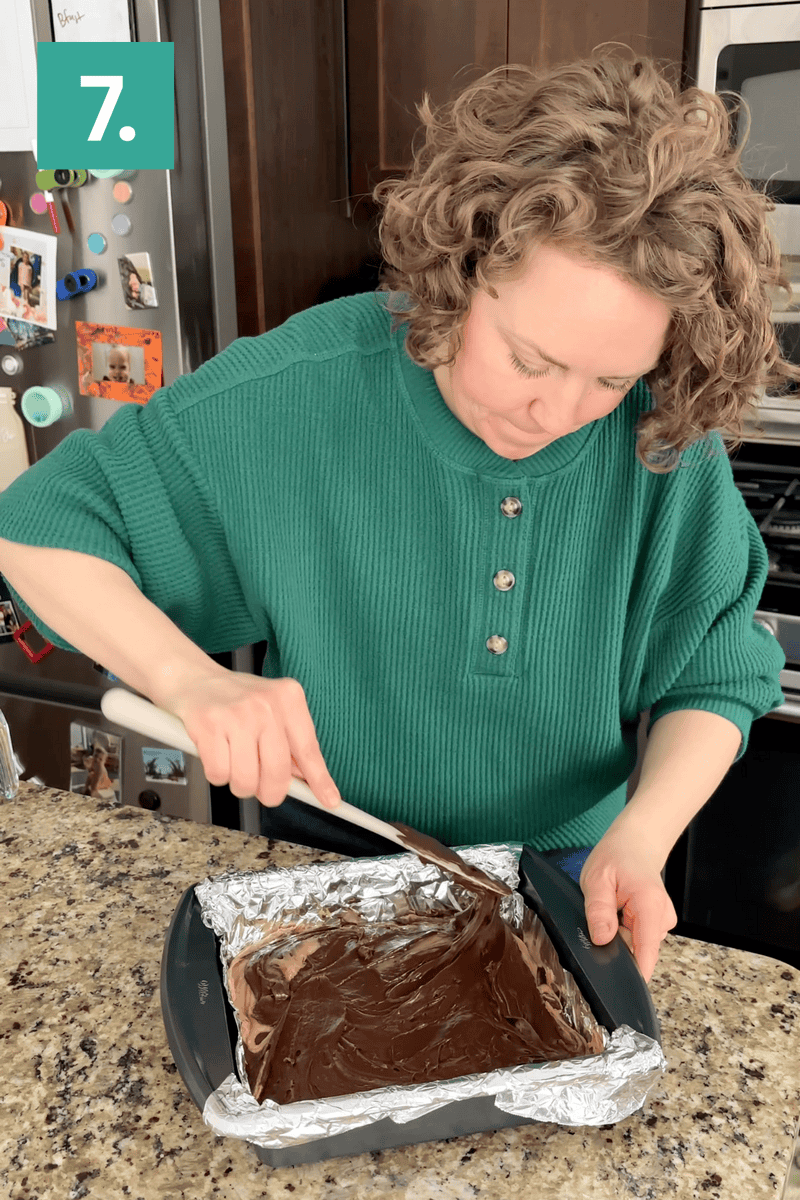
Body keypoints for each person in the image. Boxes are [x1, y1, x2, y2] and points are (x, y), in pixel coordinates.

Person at [0, 48, 795, 984]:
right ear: (459, 274)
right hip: (329, 857)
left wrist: (645, 833)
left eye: (610, 377)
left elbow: (714, 670)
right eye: (531, 360)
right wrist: (191, 682)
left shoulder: (662, 433)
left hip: (572, 869)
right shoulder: (300, 391)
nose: (561, 412)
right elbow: (39, 527)